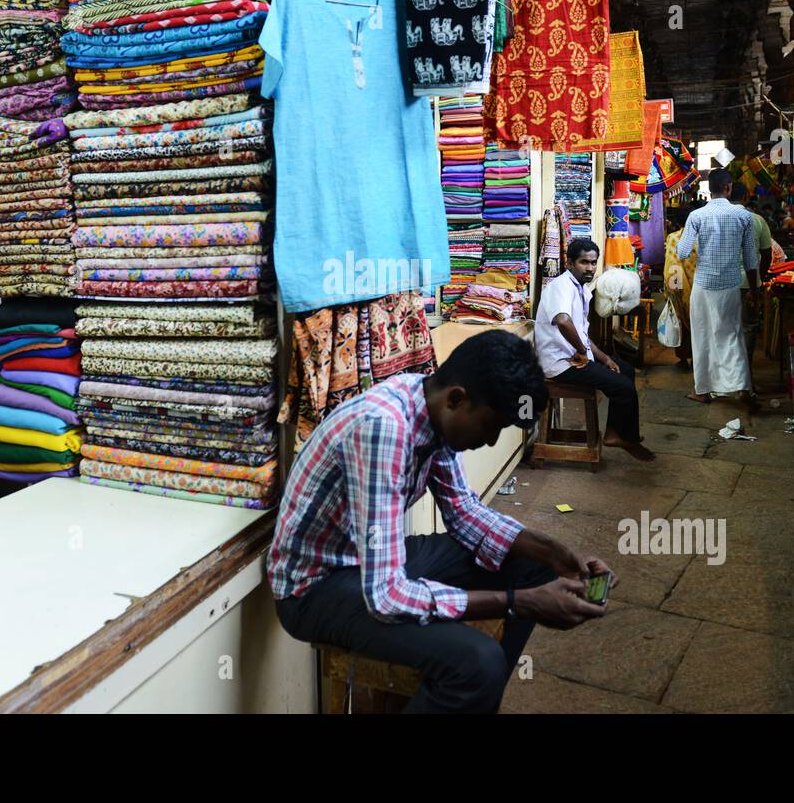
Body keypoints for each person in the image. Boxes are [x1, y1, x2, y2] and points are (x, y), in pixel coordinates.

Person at [269, 330, 617, 713]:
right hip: (314, 590)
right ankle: (470, 691)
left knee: (531, 565)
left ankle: (468, 703)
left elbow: (464, 513)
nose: (489, 441)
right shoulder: (384, 428)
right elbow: (386, 598)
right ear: (457, 399)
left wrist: (557, 554)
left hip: (371, 562)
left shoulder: (431, 406)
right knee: (478, 664)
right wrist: (519, 603)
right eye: (491, 426)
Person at [534, 238, 655, 461]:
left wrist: (603, 357)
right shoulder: (561, 286)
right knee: (623, 386)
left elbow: (582, 333)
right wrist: (582, 351)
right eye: (584, 262)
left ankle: (620, 433)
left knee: (624, 370)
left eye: (593, 263)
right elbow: (562, 320)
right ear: (569, 263)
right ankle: (619, 436)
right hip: (560, 364)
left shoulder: (579, 288)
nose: (590, 268)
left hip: (573, 356)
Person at [676, 168, 760, 408]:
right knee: (732, 335)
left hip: (703, 285)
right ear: (729, 187)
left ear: (709, 189)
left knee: (702, 336)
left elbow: (682, 252)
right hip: (731, 285)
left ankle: (702, 391)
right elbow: (751, 259)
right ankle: (743, 389)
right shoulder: (743, 216)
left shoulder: (697, 216)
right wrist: (754, 292)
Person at [728, 183, 772, 363]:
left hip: (722, 285)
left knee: (725, 329)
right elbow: (767, 255)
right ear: (746, 197)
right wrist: (757, 285)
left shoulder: (717, 218)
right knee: (748, 328)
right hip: (748, 284)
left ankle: (726, 377)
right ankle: (744, 378)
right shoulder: (757, 220)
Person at [663, 204, 698, 370]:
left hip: (680, 286)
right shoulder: (702, 237)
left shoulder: (673, 238)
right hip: (699, 286)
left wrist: (673, 290)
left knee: (681, 323)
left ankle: (683, 359)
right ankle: (699, 359)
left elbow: (672, 265)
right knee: (700, 324)